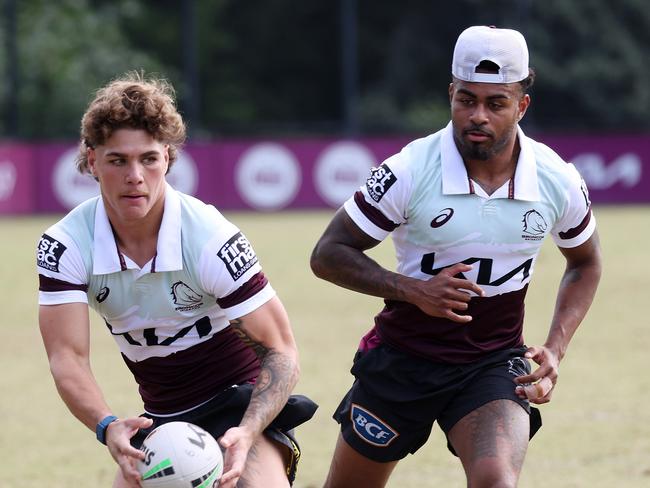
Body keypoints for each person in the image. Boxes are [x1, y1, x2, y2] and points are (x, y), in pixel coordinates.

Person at [310, 25, 602, 488]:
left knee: (496, 482)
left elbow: (585, 262)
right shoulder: (408, 169)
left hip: (491, 365)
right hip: (401, 363)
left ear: (521, 105)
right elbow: (328, 253)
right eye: (466, 99)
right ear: (451, 94)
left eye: (496, 103)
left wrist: (556, 347)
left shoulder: (556, 179)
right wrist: (414, 290)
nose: (477, 116)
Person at [37, 72, 317, 488]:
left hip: (238, 406)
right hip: (160, 421)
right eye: (118, 160)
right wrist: (107, 425)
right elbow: (68, 358)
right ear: (93, 161)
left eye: (148, 158)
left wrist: (249, 430)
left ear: (167, 157)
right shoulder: (65, 246)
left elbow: (281, 351)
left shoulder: (209, 237)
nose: (135, 175)